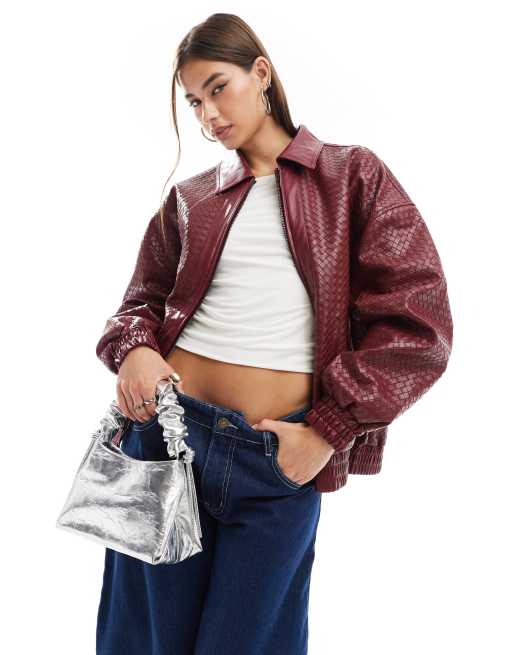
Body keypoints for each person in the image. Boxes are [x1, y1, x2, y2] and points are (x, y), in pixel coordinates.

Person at [94, 12, 453, 655]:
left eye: (218, 88)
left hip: (276, 459)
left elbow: (417, 325)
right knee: (146, 643)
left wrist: (328, 430)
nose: (209, 115)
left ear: (261, 73)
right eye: (194, 102)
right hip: (166, 443)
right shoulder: (192, 198)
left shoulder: (352, 176)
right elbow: (139, 304)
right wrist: (136, 350)